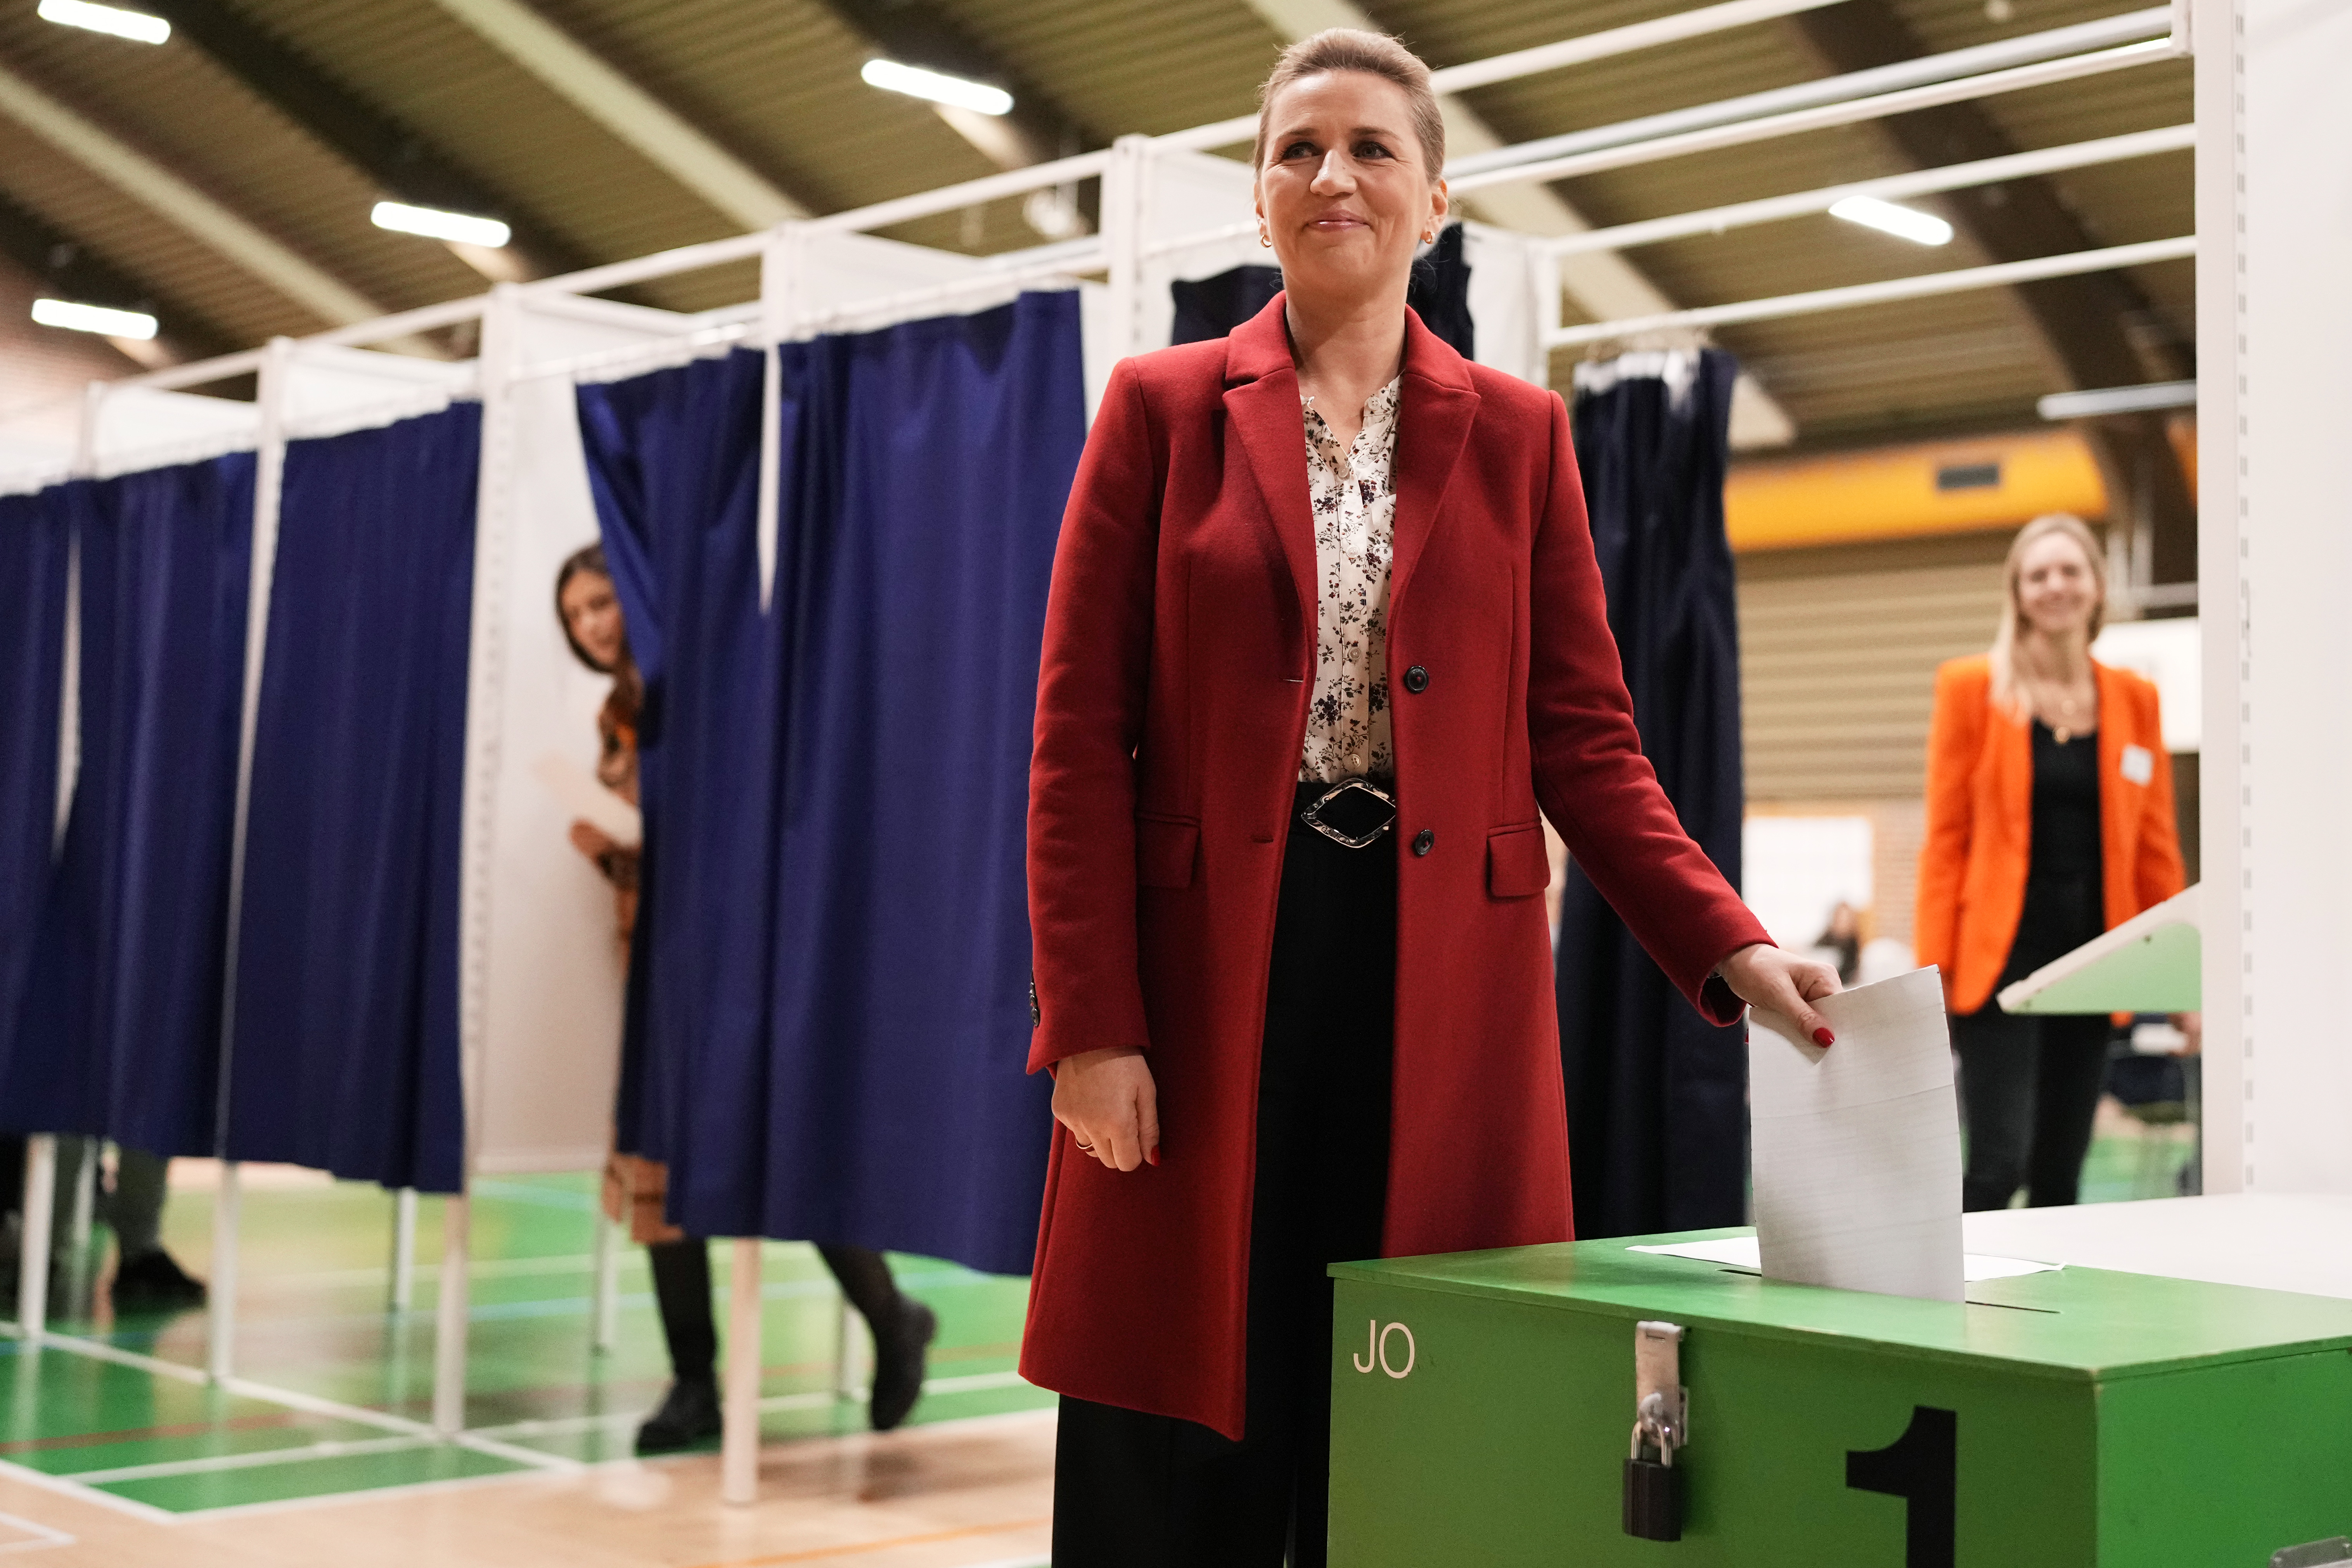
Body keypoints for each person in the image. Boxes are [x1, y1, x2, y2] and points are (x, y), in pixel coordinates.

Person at [1020, 31, 1840, 1566]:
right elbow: (1078, 737)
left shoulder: (1522, 438)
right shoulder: (1159, 407)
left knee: (1404, 1429)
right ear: (1260, 195)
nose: (1333, 174)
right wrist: (1091, 1022)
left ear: (1436, 197)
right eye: (1297, 149)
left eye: (1371, 147)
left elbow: (1586, 741)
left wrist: (1731, 945)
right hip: (1203, 990)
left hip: (1437, 993)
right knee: (1178, 1432)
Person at [554, 546, 936, 1451]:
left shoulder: (692, 686)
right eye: (576, 615)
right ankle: (694, 1382)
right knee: (655, 1175)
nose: (594, 625)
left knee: (783, 1154)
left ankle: (891, 1315)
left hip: (726, 971)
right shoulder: (617, 710)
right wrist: (611, 847)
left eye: (603, 602)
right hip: (653, 976)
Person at [1917, 513, 2194, 1213]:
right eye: (2038, 574)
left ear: (2098, 588)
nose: (2055, 585)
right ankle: (1947, 1307)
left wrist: (2188, 982)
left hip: (2092, 960)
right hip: (2000, 957)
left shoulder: (2135, 700)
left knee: (2060, 1177)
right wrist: (1932, 974)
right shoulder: (1971, 688)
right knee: (1997, 1163)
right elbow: (1945, 839)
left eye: (2071, 570)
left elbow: (2156, 845)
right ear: (2018, 591)